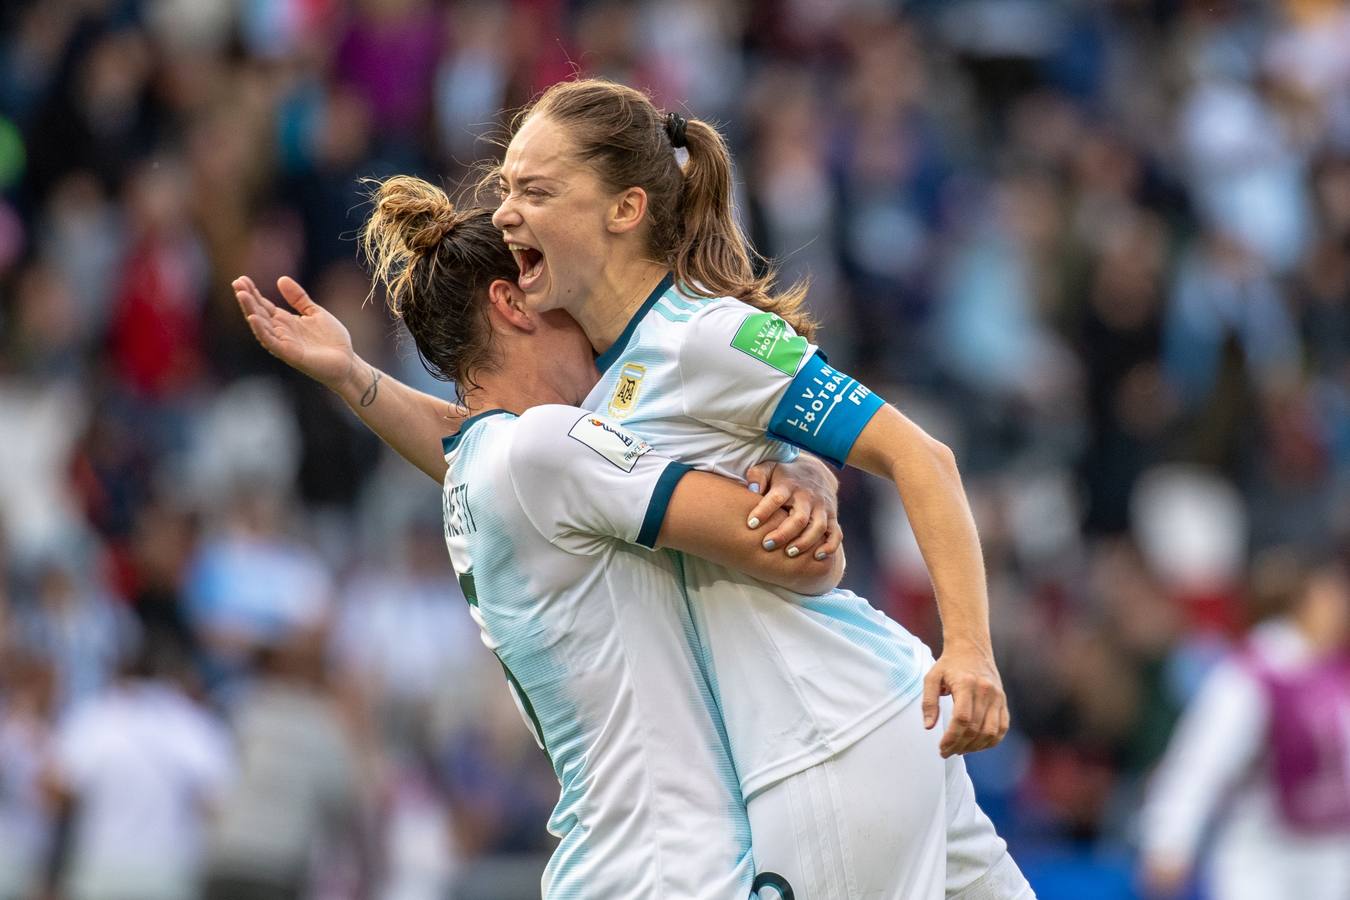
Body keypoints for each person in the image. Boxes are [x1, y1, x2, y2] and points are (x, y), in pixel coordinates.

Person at [236, 168, 1028, 898]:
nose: (598, 334)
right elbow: (792, 553)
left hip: (610, 859)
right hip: (672, 865)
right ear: (514, 307)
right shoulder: (545, 448)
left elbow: (460, 433)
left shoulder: (484, 467)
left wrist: (353, 378)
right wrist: (802, 473)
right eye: (566, 307)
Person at [488, 78, 1029, 898]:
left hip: (821, 738)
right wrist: (353, 377)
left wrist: (972, 651)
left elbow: (923, 459)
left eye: (535, 190)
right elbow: (506, 461)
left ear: (625, 209)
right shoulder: (606, 377)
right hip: (863, 715)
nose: (505, 212)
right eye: (504, 189)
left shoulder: (704, 334)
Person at [1139, 551, 1350, 900]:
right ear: (1304, 600)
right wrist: (1169, 839)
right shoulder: (1252, 676)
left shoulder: (1336, 672)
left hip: (1332, 857)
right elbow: (1201, 759)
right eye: (1334, 594)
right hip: (1263, 857)